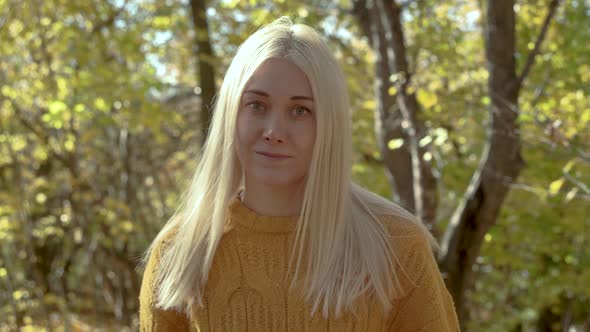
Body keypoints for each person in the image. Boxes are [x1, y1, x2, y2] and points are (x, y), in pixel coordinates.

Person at [138, 16, 460, 331]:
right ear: (230, 114)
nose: (274, 131)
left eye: (300, 111)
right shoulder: (180, 254)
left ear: (328, 125)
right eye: (257, 105)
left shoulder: (396, 248)